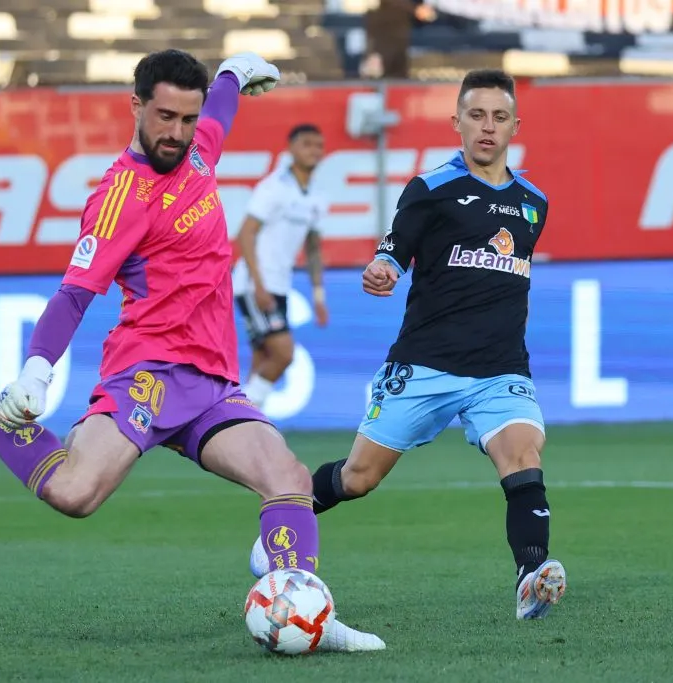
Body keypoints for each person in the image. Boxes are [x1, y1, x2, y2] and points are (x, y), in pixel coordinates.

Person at [0, 49, 384, 653]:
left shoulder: (198, 149)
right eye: (164, 116)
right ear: (136, 105)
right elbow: (73, 294)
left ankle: (307, 617)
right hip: (147, 372)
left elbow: (220, 115)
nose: (176, 132)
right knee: (73, 493)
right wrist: (37, 371)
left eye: (186, 119)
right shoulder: (120, 197)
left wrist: (231, 74)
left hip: (212, 381)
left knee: (289, 478)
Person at [249, 69, 567, 621]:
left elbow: (517, 281)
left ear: (516, 124)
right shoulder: (431, 189)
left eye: (498, 116)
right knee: (359, 477)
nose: (487, 127)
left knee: (523, 457)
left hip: (500, 368)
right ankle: (283, 523)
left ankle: (530, 576)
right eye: (476, 115)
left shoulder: (533, 201)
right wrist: (382, 269)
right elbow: (393, 251)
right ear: (457, 122)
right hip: (426, 364)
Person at [233, 123, 329, 411]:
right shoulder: (273, 187)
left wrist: (319, 296)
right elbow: (245, 233)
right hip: (255, 284)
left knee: (263, 357)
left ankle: (243, 424)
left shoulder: (316, 196)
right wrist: (258, 285)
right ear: (291, 149)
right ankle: (242, 418)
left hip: (280, 284)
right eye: (307, 144)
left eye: (319, 145)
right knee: (283, 353)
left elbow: (313, 248)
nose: (314, 150)